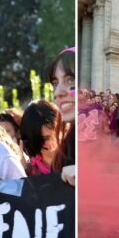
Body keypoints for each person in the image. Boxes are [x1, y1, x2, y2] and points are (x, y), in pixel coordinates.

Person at [47, 47, 76, 186]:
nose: (58, 92)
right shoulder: (63, 153)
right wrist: (2, 187)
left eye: (71, 79)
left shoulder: (117, 137)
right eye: (55, 83)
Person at [20, 100, 62, 176]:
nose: (49, 143)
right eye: (37, 140)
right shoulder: (30, 168)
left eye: (47, 138)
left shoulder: (73, 156)